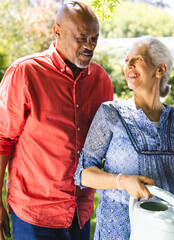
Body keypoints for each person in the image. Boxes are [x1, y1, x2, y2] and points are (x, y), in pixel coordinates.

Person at [0, 1, 113, 239]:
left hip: (80, 212)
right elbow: (2, 139)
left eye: (94, 38)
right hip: (34, 212)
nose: (89, 46)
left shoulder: (101, 80)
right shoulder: (25, 72)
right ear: (57, 31)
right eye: (82, 38)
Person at [74, 36, 174, 239]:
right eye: (127, 61)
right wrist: (122, 181)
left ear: (159, 70)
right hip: (119, 230)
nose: (129, 65)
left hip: (168, 232)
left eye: (137, 60)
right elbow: (83, 173)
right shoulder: (110, 114)